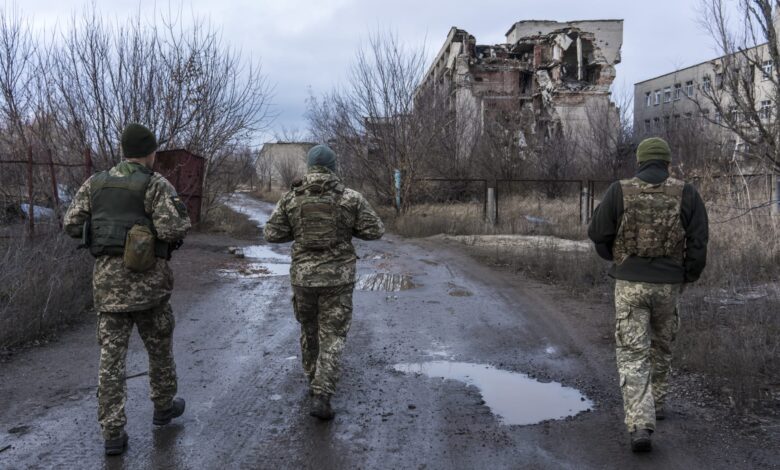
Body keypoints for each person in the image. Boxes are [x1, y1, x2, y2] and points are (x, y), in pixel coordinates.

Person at [64, 123, 191, 455]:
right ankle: (163, 407)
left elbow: (72, 224)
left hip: (108, 289)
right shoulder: (155, 184)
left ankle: (113, 434)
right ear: (150, 153)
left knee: (111, 361)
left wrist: (106, 230)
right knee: (159, 348)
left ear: (123, 151)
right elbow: (174, 226)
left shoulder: (96, 183)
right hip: (149, 287)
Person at [588, 137, 708, 452]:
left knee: (632, 352)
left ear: (640, 162)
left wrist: (612, 257)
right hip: (668, 285)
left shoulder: (619, 190)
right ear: (667, 163)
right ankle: (658, 401)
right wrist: (688, 275)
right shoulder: (687, 193)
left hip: (629, 284)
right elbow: (698, 241)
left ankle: (641, 423)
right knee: (662, 345)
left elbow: (598, 232)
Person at [264, 144, 384, 420]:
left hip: (304, 278)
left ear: (309, 167)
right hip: (337, 278)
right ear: (333, 167)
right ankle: (322, 392)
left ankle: (313, 380)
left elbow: (271, 233)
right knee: (333, 334)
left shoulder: (292, 198)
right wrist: (348, 229)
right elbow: (375, 230)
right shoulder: (350, 198)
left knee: (309, 329)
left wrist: (298, 233)